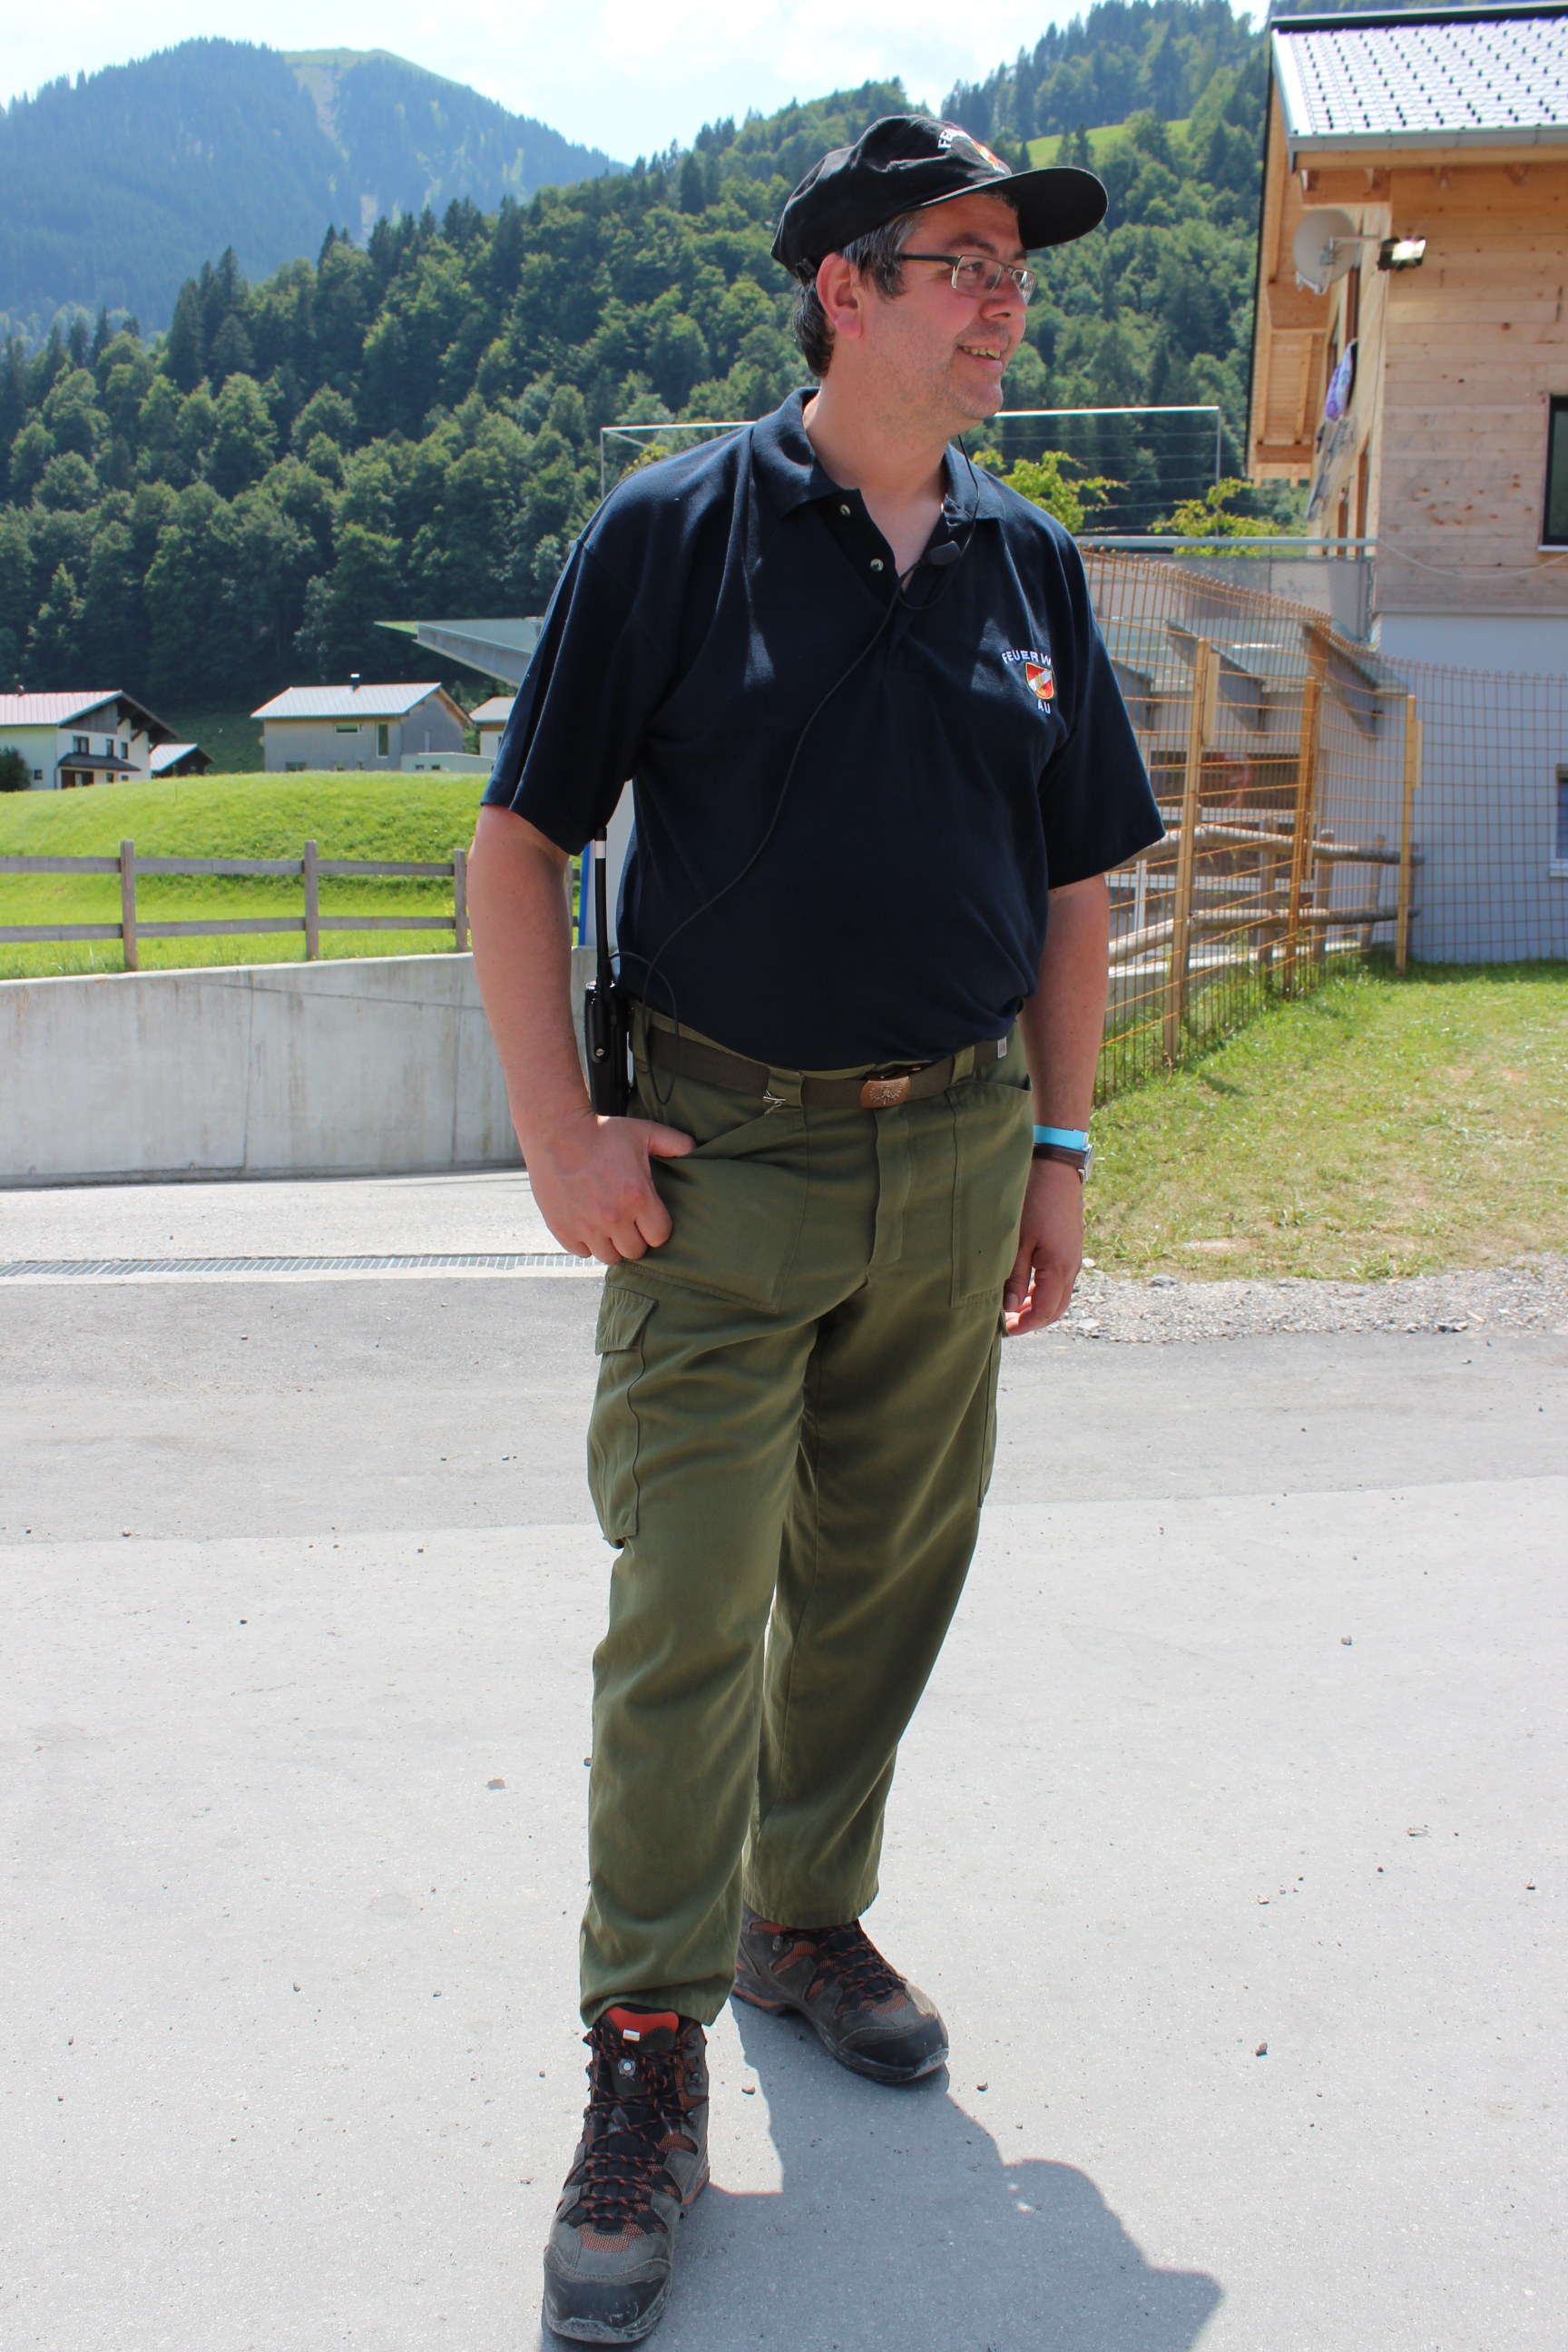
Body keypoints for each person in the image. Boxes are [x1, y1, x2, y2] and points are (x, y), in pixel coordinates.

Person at [467, 113, 1162, 2346]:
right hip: (718, 1163)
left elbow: (1074, 883)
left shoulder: (1030, 566)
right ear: (842, 290)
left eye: (1015, 267)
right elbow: (518, 842)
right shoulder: (676, 534)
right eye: (963, 262)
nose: (1005, 304)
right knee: (690, 1600)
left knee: (880, 1581)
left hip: (956, 1155)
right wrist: (558, 1136)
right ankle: (643, 2046)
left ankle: (800, 1914)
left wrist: (1059, 1152)